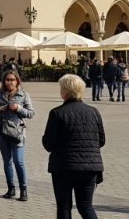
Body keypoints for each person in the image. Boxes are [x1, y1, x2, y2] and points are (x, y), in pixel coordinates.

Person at [42, 74, 105, 219]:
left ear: (65, 91)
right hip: (90, 167)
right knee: (86, 206)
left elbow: (49, 143)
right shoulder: (94, 112)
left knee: (64, 207)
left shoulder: (57, 113)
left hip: (64, 167)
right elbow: (101, 140)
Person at [0, 70, 34, 201]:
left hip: (17, 132)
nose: (10, 82)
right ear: (4, 81)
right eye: (7, 80)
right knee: (7, 161)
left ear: (17, 81)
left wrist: (18, 108)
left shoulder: (23, 94)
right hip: (1, 131)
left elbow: (31, 113)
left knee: (18, 161)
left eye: (12, 80)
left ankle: (23, 189)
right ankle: (11, 188)